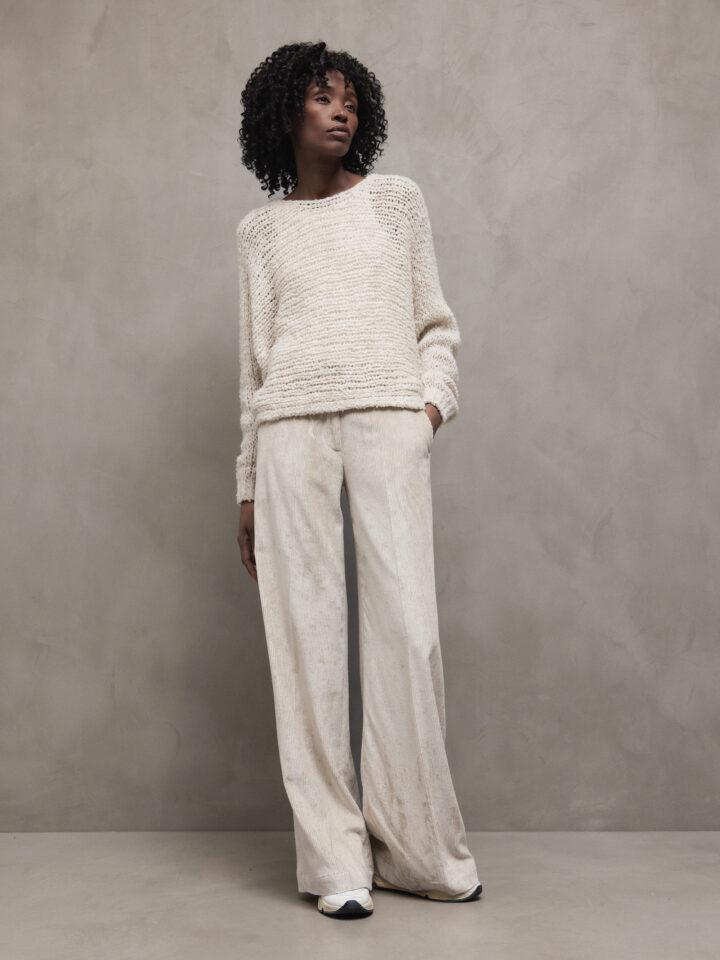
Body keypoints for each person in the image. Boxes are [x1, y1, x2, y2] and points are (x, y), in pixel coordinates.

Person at [234, 41, 482, 919]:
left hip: (387, 418)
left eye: (349, 99)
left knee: (406, 632)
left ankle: (420, 852)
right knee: (304, 642)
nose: (340, 111)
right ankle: (336, 862)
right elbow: (253, 368)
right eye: (320, 98)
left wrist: (428, 411)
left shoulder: (396, 200)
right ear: (284, 115)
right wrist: (247, 483)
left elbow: (434, 324)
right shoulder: (260, 231)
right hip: (289, 430)